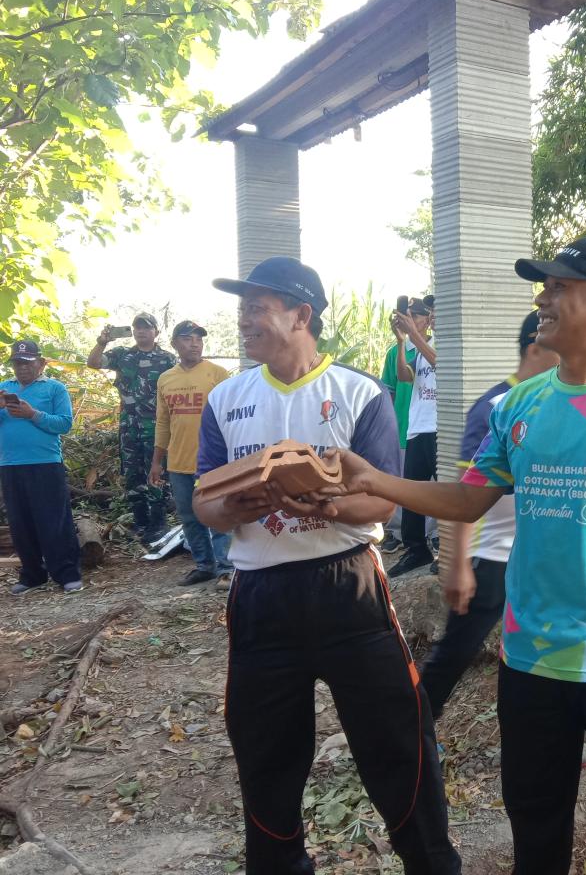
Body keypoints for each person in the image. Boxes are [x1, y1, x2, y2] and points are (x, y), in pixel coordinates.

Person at [315, 237, 586, 875]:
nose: (542, 299)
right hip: (531, 659)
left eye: (558, 287)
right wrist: (374, 480)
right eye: (544, 286)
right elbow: (470, 499)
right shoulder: (520, 405)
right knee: (535, 824)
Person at [192, 256, 461, 875]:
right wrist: (239, 504)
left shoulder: (357, 392)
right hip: (259, 596)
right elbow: (206, 501)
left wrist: (325, 501)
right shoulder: (226, 398)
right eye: (244, 306)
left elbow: (382, 498)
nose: (244, 317)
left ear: (301, 314)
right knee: (265, 751)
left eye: (257, 306)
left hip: (350, 589)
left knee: (397, 738)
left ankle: (431, 862)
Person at [419, 310, 558, 719]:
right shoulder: (494, 405)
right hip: (494, 555)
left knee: (547, 648)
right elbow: (466, 494)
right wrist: (459, 564)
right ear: (534, 348)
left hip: (538, 558)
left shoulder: (561, 399)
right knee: (458, 649)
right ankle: (415, 729)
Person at [149, 321, 232, 589]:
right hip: (179, 462)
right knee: (189, 516)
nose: (195, 343)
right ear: (174, 344)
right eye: (187, 338)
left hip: (214, 461)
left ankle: (226, 568)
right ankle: (204, 566)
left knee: (219, 515)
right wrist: (156, 462)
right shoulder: (166, 379)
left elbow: (232, 418)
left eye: (198, 338)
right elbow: (163, 423)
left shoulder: (218, 374)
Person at [0, 340, 82, 595]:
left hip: (46, 464)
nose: (22, 368)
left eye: (27, 363)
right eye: (17, 363)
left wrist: (32, 414)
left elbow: (64, 424)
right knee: (20, 522)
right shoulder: (4, 388)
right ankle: (32, 574)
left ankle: (67, 574)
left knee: (53, 520)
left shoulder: (55, 389)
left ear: (41, 363)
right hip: (10, 464)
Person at [88, 312, 176, 543]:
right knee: (132, 474)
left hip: (156, 427)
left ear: (156, 332)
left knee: (157, 472)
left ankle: (158, 522)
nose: (141, 331)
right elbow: (94, 363)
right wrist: (102, 342)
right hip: (129, 426)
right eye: (137, 327)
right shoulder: (122, 355)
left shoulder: (167, 360)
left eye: (147, 327)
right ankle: (140, 521)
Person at [389, 297, 438, 577]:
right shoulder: (422, 347)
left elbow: (441, 364)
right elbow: (405, 377)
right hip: (418, 427)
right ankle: (416, 549)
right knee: (412, 493)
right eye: (432, 312)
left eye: (435, 311)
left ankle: (451, 549)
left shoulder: (446, 343)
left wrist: (415, 336)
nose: (432, 316)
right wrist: (400, 342)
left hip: (439, 427)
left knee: (446, 492)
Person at [379, 304, 420, 555]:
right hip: (403, 425)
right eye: (408, 315)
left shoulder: (435, 348)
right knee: (400, 481)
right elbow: (391, 389)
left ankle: (434, 534)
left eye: (415, 316)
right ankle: (396, 531)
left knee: (428, 483)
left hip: (427, 428)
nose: (409, 319)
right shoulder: (395, 352)